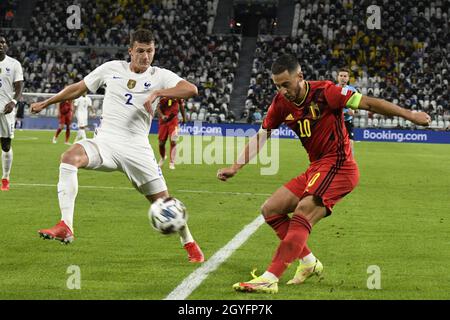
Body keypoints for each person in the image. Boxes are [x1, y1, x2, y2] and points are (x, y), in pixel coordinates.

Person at [217, 54, 431, 293]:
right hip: (316, 167)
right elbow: (262, 134)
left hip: (340, 166)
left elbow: (369, 103)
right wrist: (236, 166)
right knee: (270, 209)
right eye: (277, 85)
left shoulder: (326, 92)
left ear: (300, 76)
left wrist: (410, 115)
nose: (282, 90)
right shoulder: (280, 103)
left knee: (303, 211)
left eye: (286, 84)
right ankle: (308, 262)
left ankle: (270, 277)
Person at [30, 29, 204, 263]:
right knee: (69, 157)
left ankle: (189, 243)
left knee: (163, 203)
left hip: (137, 149)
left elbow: (191, 89)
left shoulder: (160, 75)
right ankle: (66, 225)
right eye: (140, 51)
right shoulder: (111, 68)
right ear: (130, 50)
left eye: (150, 51)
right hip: (106, 142)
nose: (145, 56)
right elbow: (79, 87)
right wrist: (47, 101)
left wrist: (158, 93)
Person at [0, 35, 24, 191]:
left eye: (3, 42)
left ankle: (5, 178)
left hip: (5, 110)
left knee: (6, 145)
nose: (1, 45)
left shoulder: (14, 64)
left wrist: (14, 102)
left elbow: (19, 86)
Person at [157, 97, 186, 169]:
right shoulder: (163, 96)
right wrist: (162, 116)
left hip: (173, 121)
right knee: (161, 143)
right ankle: (163, 157)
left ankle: (172, 162)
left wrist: (184, 118)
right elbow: (158, 107)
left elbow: (181, 106)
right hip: (163, 121)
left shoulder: (178, 95)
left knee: (173, 141)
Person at [336, 68, 357, 154]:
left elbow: (354, 109)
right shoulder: (332, 89)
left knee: (350, 142)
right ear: (338, 77)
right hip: (335, 121)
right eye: (341, 76)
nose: (343, 78)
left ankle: (350, 161)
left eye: (345, 76)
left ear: (348, 78)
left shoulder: (353, 91)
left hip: (347, 121)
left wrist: (352, 111)